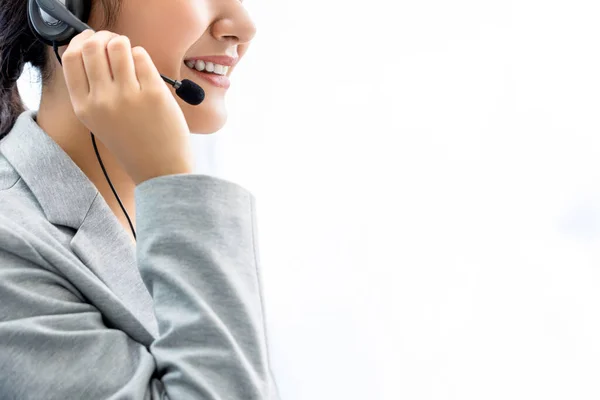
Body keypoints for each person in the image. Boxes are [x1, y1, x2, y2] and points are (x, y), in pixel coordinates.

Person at [0, 0, 280, 398]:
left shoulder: (150, 220)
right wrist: (170, 180)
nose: (244, 27)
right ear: (61, 8)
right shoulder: (9, 247)